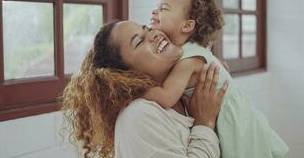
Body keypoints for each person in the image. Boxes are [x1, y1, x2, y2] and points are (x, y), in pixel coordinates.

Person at [143, 0, 289, 158]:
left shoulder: (188, 61)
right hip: (241, 115)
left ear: (187, 26)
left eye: (163, 9)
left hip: (236, 123)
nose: (154, 11)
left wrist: (129, 88)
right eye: (157, 7)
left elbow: (166, 97)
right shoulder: (192, 52)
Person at [61, 20, 228, 158]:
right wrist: (204, 124)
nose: (154, 34)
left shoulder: (183, 93)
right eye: (139, 41)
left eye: (148, 29)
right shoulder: (138, 115)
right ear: (125, 74)